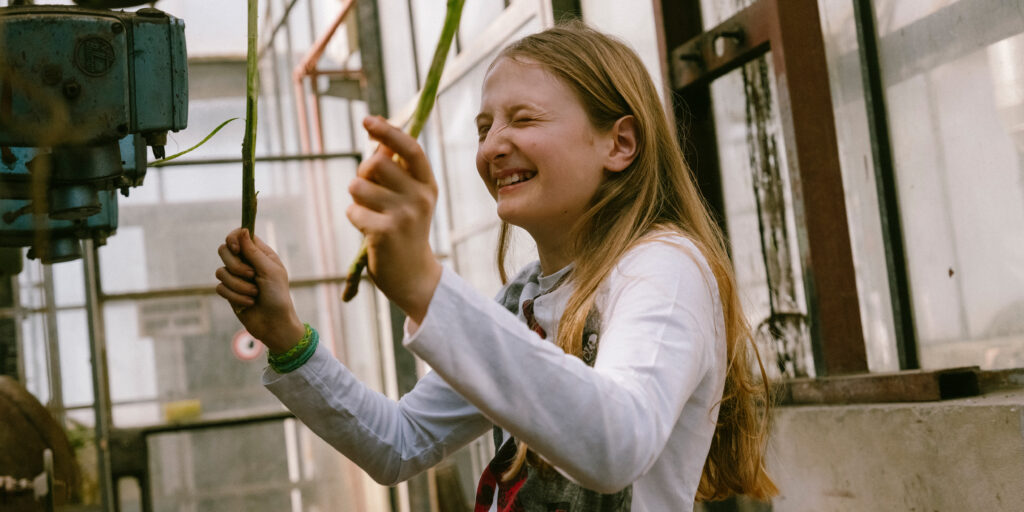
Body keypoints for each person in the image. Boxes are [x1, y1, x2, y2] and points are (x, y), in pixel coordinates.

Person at [215, 22, 776, 511]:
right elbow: (401, 443)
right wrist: (287, 335)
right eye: (484, 129)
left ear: (619, 143)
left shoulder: (664, 266)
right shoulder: (524, 297)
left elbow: (617, 445)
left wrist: (427, 290)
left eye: (524, 119)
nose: (492, 148)